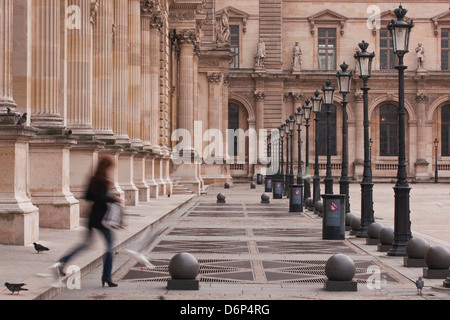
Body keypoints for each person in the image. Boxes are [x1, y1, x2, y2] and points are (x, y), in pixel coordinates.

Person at [56, 156, 122, 288]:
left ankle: (62, 262)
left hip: (92, 218)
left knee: (85, 244)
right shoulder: (102, 181)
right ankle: (107, 277)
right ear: (107, 167)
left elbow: (88, 196)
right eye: (110, 167)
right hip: (102, 220)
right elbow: (101, 198)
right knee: (110, 248)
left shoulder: (93, 179)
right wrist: (114, 199)